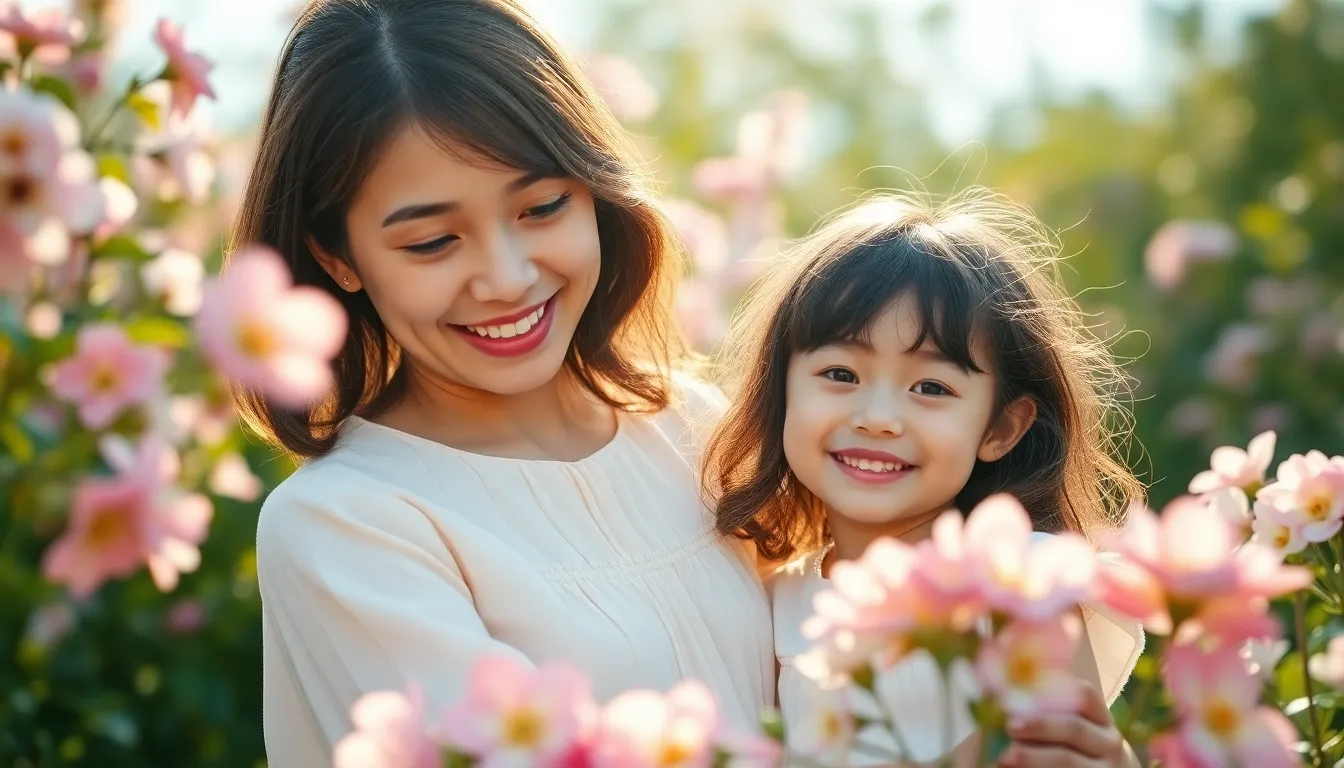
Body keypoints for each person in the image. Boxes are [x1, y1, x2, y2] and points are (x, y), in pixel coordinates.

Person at [236, 0, 773, 762]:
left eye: (543, 206)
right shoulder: (346, 524)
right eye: (431, 242)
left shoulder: (694, 427)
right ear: (336, 256)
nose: (508, 278)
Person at [703, 190, 1147, 767]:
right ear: (781, 387)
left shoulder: (1019, 581)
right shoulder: (775, 598)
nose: (879, 419)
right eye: (841, 373)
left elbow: (1056, 751)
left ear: (1001, 428)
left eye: (931, 388)